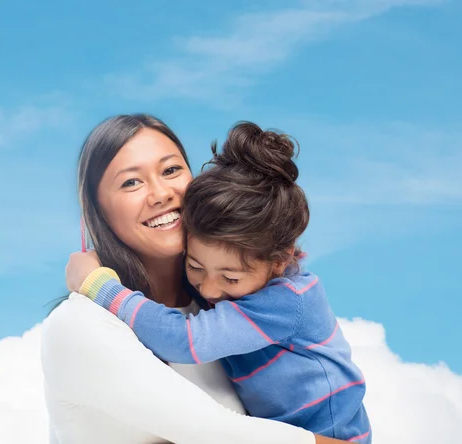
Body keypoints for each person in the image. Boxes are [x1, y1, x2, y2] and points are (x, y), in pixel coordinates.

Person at [42, 113, 353, 444]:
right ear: (95, 210)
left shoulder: (222, 308)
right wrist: (98, 287)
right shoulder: (80, 324)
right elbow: (218, 434)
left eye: (171, 170)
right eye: (131, 182)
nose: (160, 193)